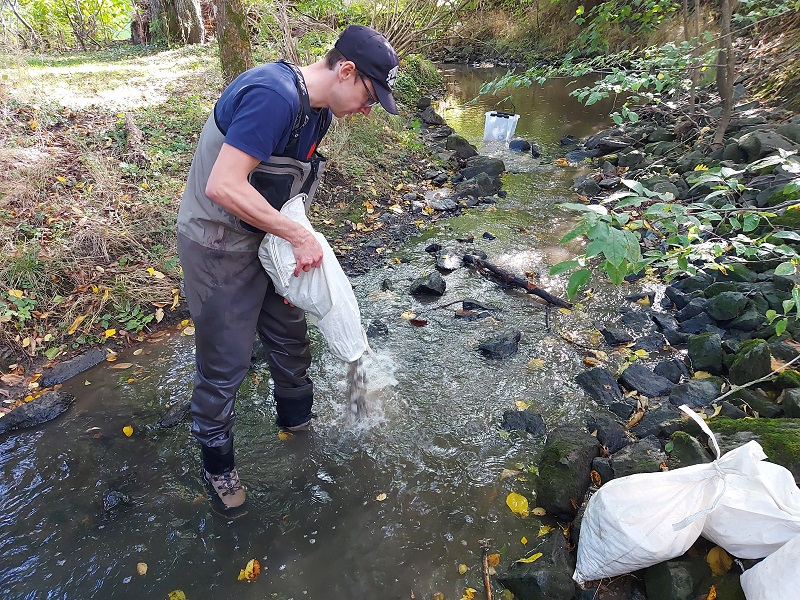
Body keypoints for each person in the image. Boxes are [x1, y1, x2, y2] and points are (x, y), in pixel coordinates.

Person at [177, 25, 399, 509]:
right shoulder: (271, 95)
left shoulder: (317, 115)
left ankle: (297, 426)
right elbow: (224, 185)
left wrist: (294, 240)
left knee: (291, 341)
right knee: (226, 364)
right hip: (217, 243)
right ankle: (220, 471)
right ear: (345, 71)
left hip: (266, 242)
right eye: (369, 94)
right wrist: (298, 235)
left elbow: (290, 190)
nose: (367, 108)